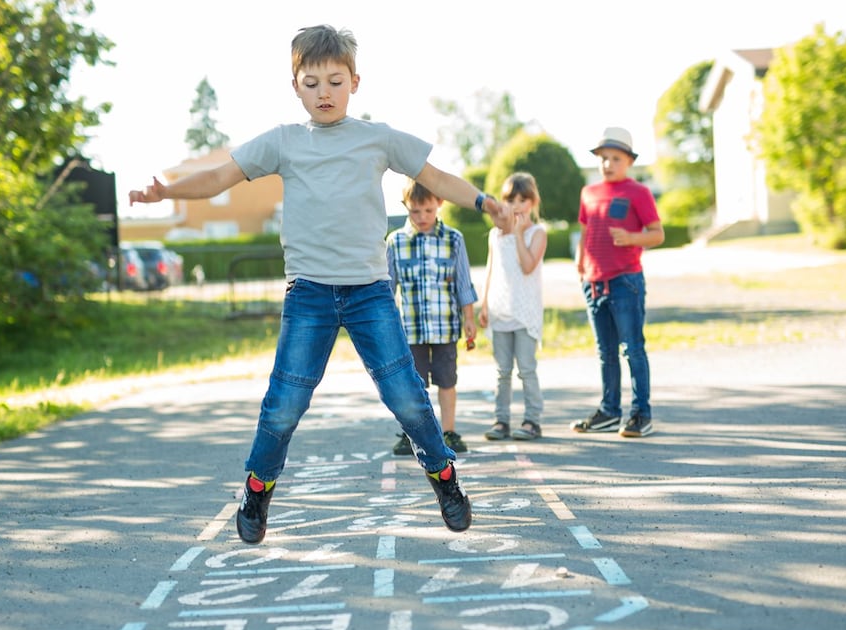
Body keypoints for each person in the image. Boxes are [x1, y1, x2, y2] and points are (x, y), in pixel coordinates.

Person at [128, 25, 511, 545]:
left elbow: (439, 179)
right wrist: (166, 192)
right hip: (309, 292)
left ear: (355, 82)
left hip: (369, 291)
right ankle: (257, 489)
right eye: (312, 83)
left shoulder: (377, 138)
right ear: (296, 86)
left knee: (408, 397)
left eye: (335, 81)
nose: (324, 93)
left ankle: (443, 476)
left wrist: (487, 203)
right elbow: (221, 177)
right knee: (284, 403)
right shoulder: (284, 141)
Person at [570, 127, 664, 438]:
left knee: (633, 349)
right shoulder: (588, 193)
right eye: (603, 158)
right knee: (605, 352)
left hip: (626, 281)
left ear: (629, 161)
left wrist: (632, 238)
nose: (608, 164)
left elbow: (657, 233)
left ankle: (641, 414)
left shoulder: (638, 192)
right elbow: (585, 230)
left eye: (615, 158)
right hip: (594, 284)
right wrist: (580, 261)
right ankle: (609, 411)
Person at [386, 178, 478, 457]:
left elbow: (463, 284)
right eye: (415, 211)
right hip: (409, 330)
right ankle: (411, 434)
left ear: (439, 204)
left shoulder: (454, 239)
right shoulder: (395, 242)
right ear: (406, 207)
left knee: (447, 380)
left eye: (428, 210)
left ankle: (448, 431)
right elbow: (389, 288)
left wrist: (469, 319)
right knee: (411, 386)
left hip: (445, 327)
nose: (422, 217)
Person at [478, 172, 547, 442]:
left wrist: (519, 234)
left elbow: (528, 266)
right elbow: (490, 270)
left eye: (522, 199)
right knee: (502, 371)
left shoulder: (537, 233)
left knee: (526, 369)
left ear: (532, 202)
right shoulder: (495, 235)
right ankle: (501, 420)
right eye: (511, 199)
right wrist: (483, 305)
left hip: (525, 312)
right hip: (499, 311)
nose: (516, 205)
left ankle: (532, 420)